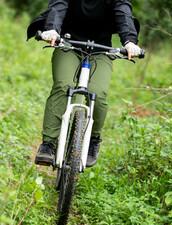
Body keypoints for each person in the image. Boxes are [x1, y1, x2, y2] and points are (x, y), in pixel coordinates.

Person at [27, 0, 142, 167]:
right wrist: (52, 29)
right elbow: (59, 5)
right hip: (68, 44)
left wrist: (130, 41)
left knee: (98, 93)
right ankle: (48, 144)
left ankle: (93, 140)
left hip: (101, 50)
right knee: (63, 85)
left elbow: (123, 12)